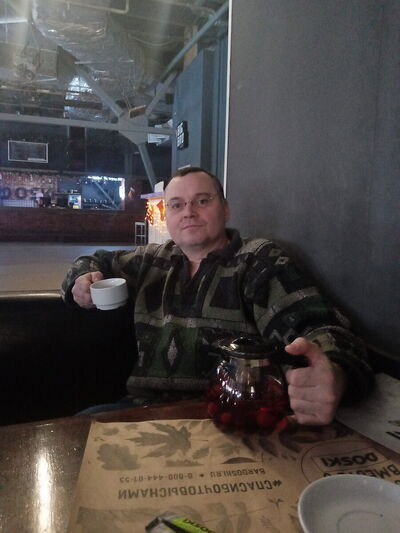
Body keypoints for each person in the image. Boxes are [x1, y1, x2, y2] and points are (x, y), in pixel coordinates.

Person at [61, 167, 374, 424]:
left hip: (226, 417)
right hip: (141, 412)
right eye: (176, 205)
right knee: (79, 430)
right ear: (167, 217)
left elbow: (321, 327)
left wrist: (335, 373)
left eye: (202, 201)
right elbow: (94, 261)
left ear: (225, 209)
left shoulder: (259, 261)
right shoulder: (150, 260)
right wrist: (83, 280)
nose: (189, 212)